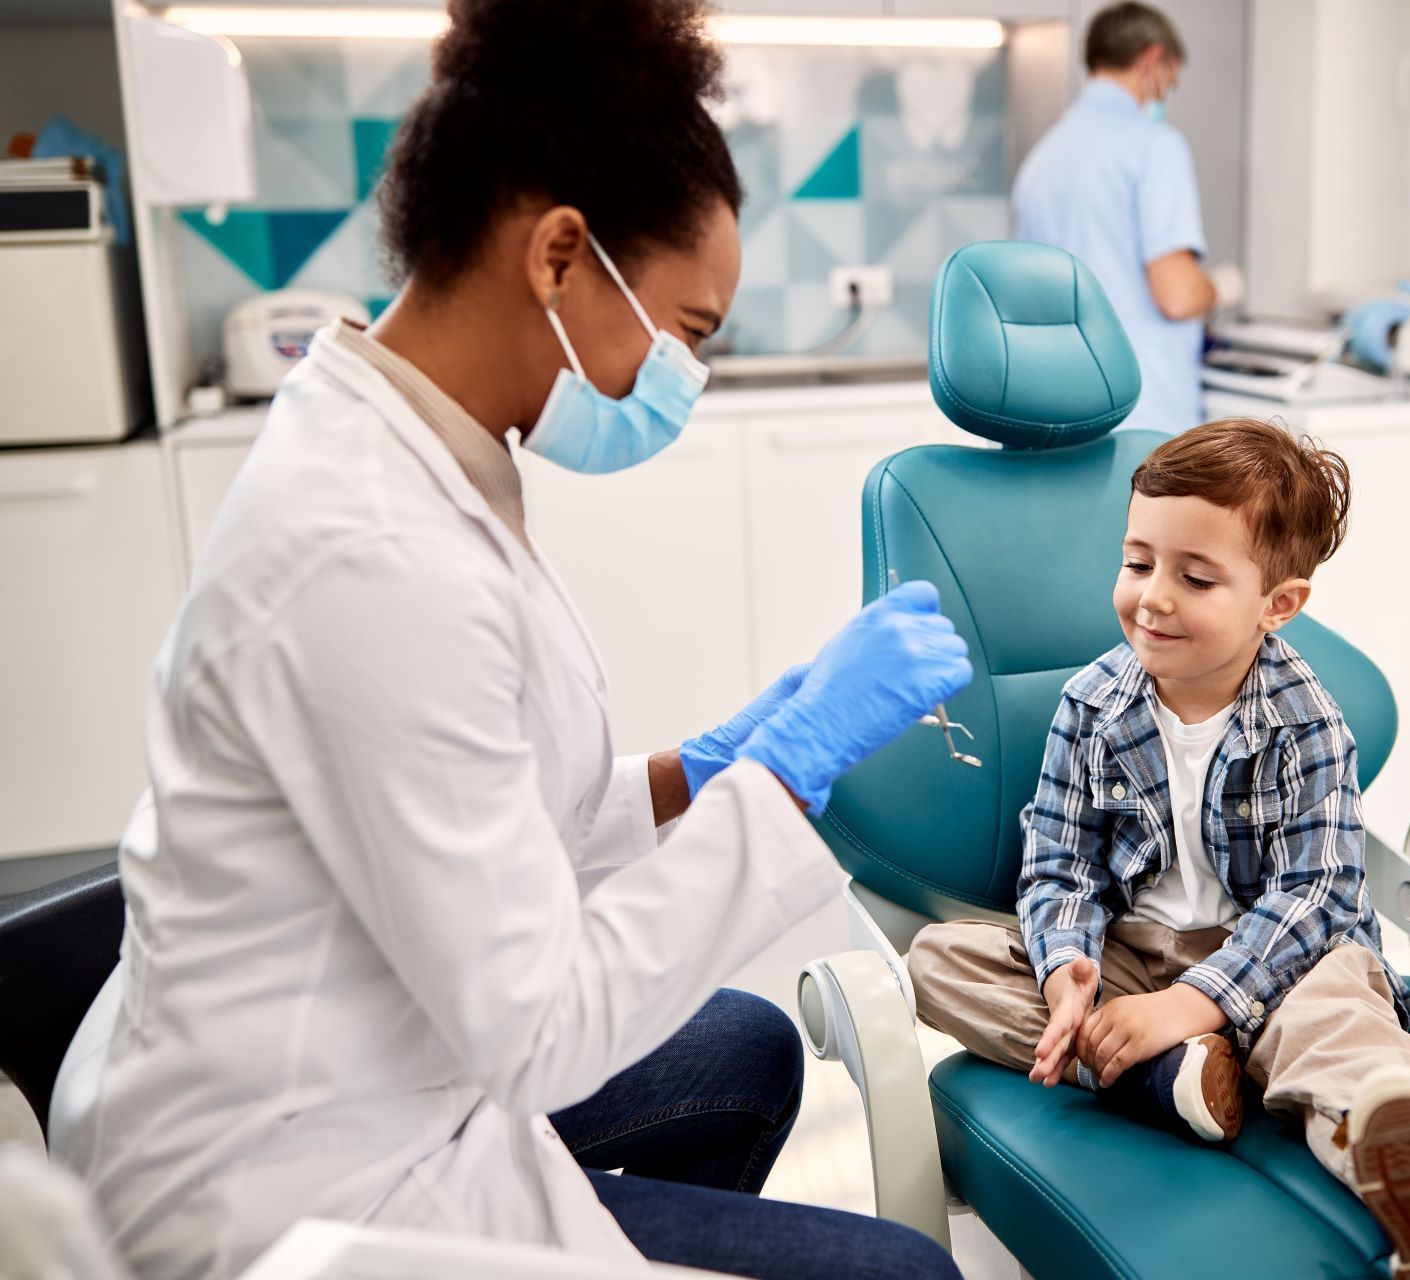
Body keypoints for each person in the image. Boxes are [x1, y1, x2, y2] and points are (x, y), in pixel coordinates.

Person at [46, 3, 970, 1278]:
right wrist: (781, 777)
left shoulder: (420, 443)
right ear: (558, 257)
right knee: (905, 1272)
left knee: (746, 1050)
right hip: (283, 1172)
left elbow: (496, 806)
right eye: (687, 331)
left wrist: (700, 768)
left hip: (386, 1036)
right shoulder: (369, 552)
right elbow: (541, 1026)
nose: (684, 376)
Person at [908, 419, 1410, 1280]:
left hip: (1278, 960)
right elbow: (1059, 864)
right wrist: (1064, 964)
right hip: (1132, 960)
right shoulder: (1091, 705)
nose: (1152, 597)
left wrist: (1196, 1003)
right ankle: (1177, 1077)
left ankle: (1404, 1149)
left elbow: (1315, 898)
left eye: (1194, 577)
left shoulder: (1307, 722)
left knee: (1338, 1010)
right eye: (1138, 562)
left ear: (1278, 604)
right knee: (938, 958)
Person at [1012, 2, 1239, 436]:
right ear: (1152, 60)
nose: (1165, 93)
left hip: (1059, 407)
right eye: (1170, 80)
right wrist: (1221, 287)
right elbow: (1176, 295)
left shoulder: (1041, 161)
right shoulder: (1156, 147)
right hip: (1140, 412)